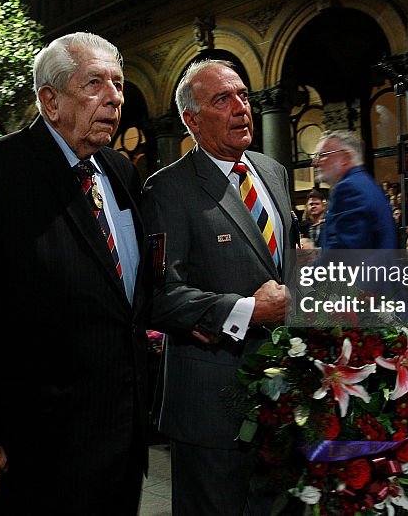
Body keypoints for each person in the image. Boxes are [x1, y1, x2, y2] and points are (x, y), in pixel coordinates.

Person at [0, 32, 150, 514]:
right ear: (50, 100)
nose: (114, 98)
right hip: (36, 457)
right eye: (94, 84)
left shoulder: (120, 173)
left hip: (122, 450)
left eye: (119, 85)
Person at [142, 59, 292, 516]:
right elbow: (159, 295)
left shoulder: (273, 172)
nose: (241, 108)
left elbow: (285, 267)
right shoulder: (167, 190)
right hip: (212, 408)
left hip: (282, 396)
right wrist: (247, 310)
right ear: (191, 119)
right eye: (222, 99)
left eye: (243, 95)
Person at [313, 129, 397, 251]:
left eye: (323, 155)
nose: (316, 163)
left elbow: (344, 254)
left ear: (345, 158)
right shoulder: (368, 184)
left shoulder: (348, 189)